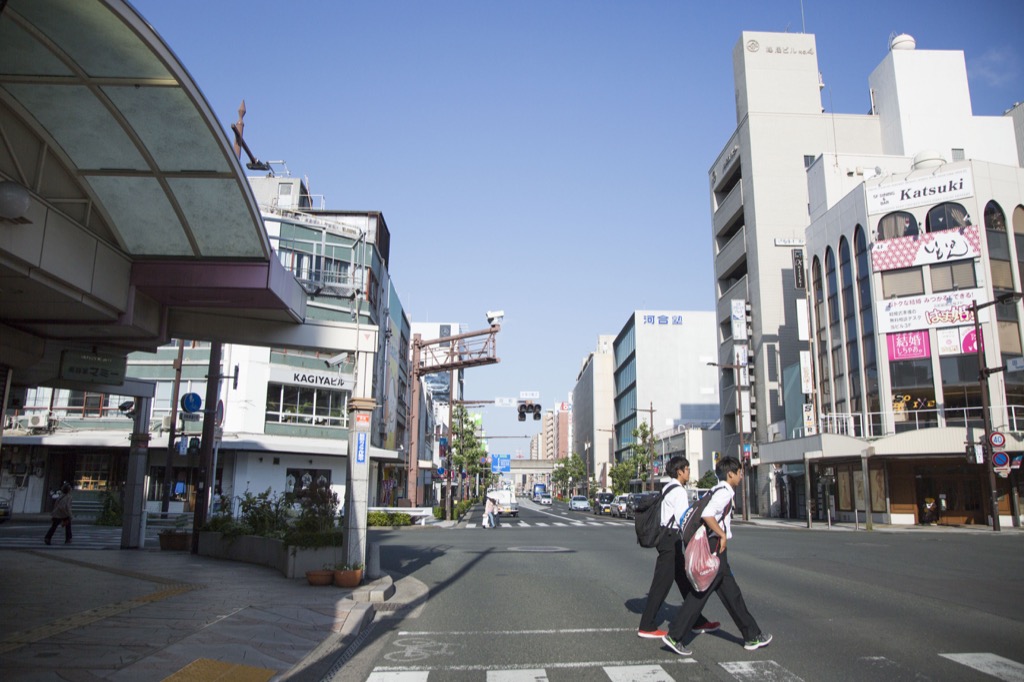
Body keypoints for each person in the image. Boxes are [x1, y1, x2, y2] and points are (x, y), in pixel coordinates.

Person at [662, 456, 772, 656]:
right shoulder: (724, 493)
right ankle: (675, 635)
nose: (740, 476)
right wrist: (721, 535)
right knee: (700, 593)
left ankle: (752, 635)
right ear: (730, 474)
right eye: (739, 472)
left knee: (732, 594)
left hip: (716, 548)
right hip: (715, 547)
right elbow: (708, 514)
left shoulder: (717, 489)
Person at [637, 456, 719, 639]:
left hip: (666, 538)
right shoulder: (679, 491)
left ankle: (697, 621)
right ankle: (646, 625)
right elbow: (684, 520)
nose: (689, 472)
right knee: (661, 584)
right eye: (687, 469)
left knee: (685, 582)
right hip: (671, 540)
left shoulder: (667, 487)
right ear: (679, 471)